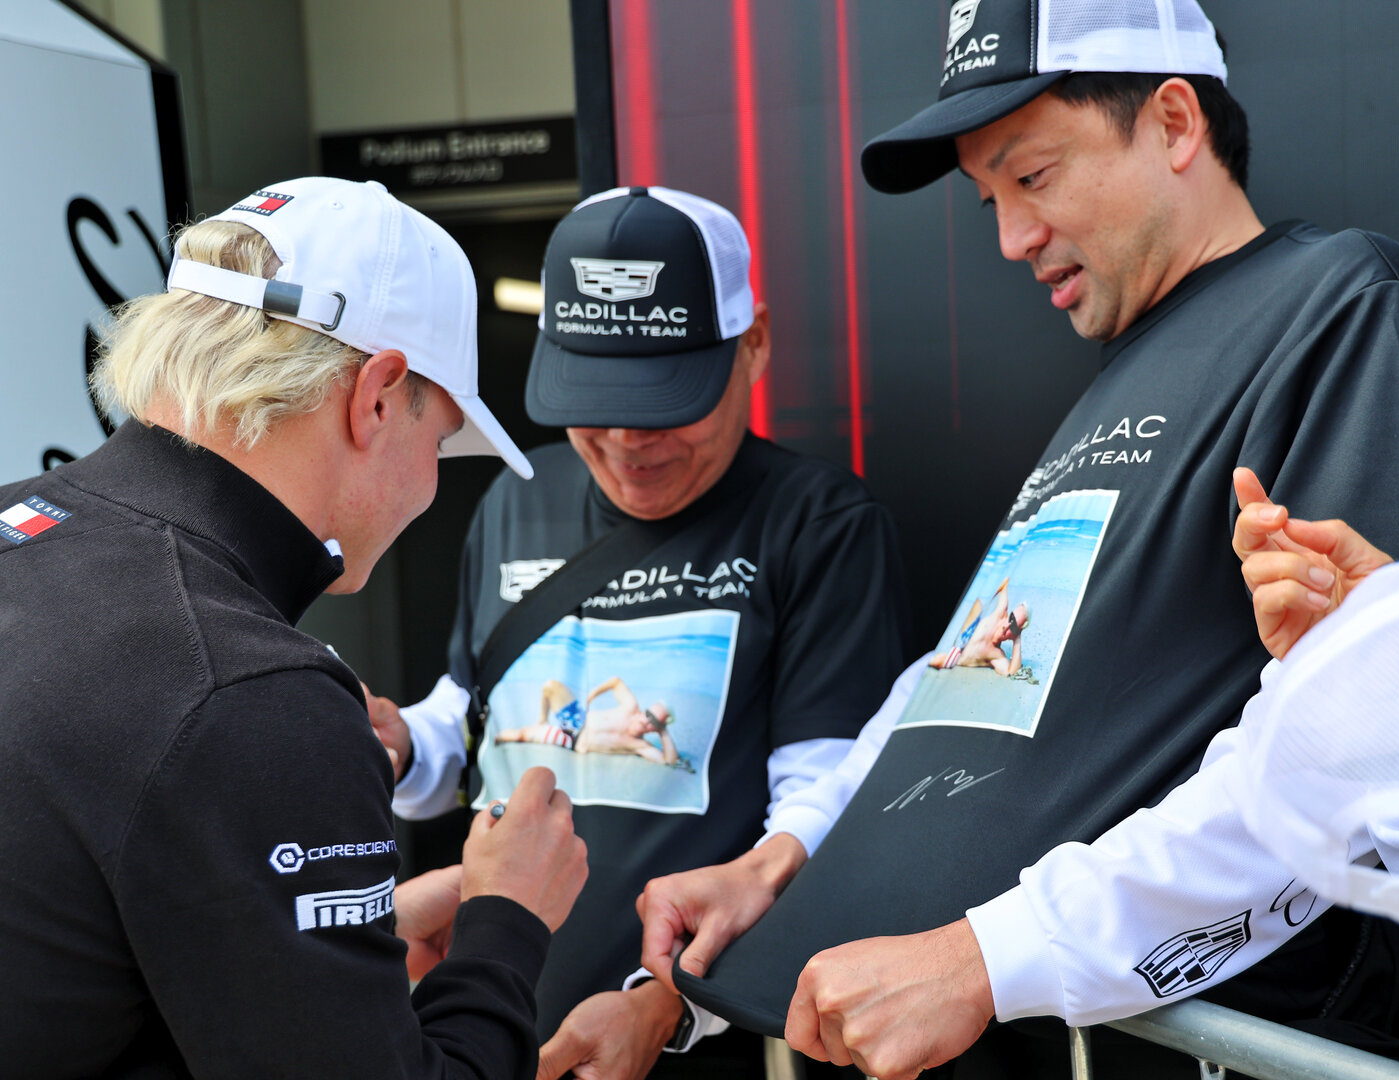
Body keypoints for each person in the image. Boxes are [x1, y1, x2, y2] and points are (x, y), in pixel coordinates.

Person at [637, 2, 1399, 1076]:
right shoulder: (1126, 366)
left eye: (1033, 176)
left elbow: (1362, 747)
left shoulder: (1343, 306)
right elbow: (964, 677)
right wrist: (787, 854)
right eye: (990, 199)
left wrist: (987, 960)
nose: (1011, 237)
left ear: (1174, 122)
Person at [0, 176, 589, 1078]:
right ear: (378, 395)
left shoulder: (21, 531)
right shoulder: (248, 687)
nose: (431, 483)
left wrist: (325, 937)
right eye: (441, 442)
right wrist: (508, 923)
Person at [366, 185, 910, 1078]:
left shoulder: (819, 524)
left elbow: (822, 821)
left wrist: (671, 1007)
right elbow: (476, 721)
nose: (626, 437)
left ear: (754, 344)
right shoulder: (519, 495)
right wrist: (402, 746)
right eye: (595, 397)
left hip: (697, 1038)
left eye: (665, 400)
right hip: (488, 1028)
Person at [497, 676, 683, 768]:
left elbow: (669, 761)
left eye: (654, 722)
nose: (646, 721)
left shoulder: (640, 745)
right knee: (550, 686)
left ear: (656, 728)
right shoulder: (630, 707)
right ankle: (542, 719)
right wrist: (592, 695)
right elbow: (616, 682)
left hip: (572, 740)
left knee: (519, 735)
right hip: (576, 720)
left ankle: (499, 738)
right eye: (648, 714)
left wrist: (664, 732)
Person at [928, 580, 1028, 676]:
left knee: (935, 661)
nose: (1007, 626)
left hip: (957, 655)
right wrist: (992, 596)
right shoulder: (1000, 613)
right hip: (964, 634)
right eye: (1011, 618)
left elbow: (1010, 672)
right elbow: (1004, 584)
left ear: (1014, 635)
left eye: (1013, 627)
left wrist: (1017, 640)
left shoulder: (995, 654)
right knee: (977, 604)